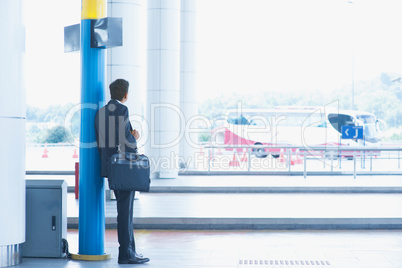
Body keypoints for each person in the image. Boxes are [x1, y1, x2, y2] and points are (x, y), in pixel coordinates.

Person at [95, 79, 150, 264]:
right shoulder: (122, 110)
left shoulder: (100, 112)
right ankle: (126, 253)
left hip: (110, 167)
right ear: (125, 94)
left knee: (124, 210)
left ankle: (129, 250)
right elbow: (125, 140)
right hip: (124, 167)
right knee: (125, 212)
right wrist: (134, 136)